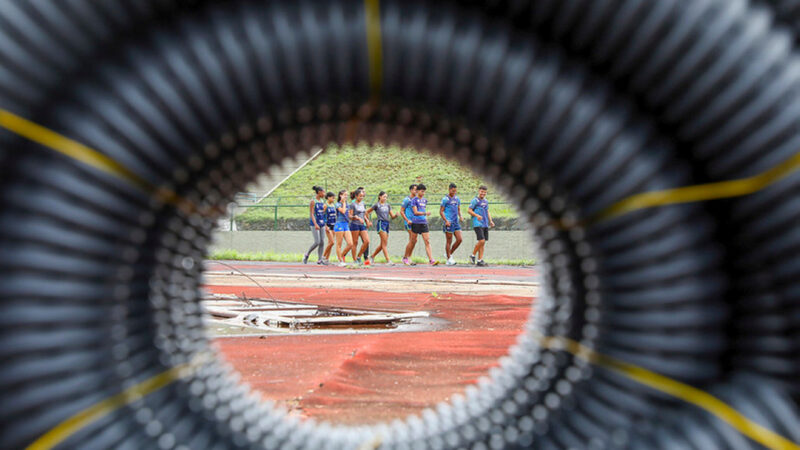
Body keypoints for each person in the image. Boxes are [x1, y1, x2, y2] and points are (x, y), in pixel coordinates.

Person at [409, 184, 438, 266]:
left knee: (427, 241)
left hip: (423, 222)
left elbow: (423, 209)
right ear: (418, 191)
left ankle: (431, 259)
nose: (423, 193)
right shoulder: (414, 200)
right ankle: (407, 257)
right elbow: (415, 212)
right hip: (416, 222)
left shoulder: (425, 200)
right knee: (413, 241)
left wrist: (425, 217)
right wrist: (425, 213)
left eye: (424, 192)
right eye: (422, 191)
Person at [367, 191, 398, 264]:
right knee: (384, 244)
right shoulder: (376, 205)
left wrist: (396, 215)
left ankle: (372, 256)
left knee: (383, 244)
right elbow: (367, 212)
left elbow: (392, 216)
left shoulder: (388, 205)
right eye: (384, 197)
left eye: (386, 197)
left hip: (387, 224)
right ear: (379, 197)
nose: (385, 198)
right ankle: (388, 260)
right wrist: (368, 221)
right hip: (381, 223)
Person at [468, 185, 494, 266]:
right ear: (479, 191)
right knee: (481, 240)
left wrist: (491, 221)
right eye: (482, 192)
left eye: (485, 192)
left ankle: (479, 260)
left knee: (483, 242)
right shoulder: (475, 200)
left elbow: (487, 211)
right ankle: (472, 255)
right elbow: (469, 210)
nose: (483, 193)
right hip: (477, 223)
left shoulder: (486, 201)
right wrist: (477, 215)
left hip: (485, 223)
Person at [440, 183, 463, 265]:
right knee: (449, 240)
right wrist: (446, 220)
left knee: (459, 239)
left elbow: (459, 209)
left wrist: (460, 216)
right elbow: (441, 211)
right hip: (449, 222)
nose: (454, 192)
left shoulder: (457, 199)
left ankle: (448, 254)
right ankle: (449, 258)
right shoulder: (445, 199)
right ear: (449, 190)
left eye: (455, 191)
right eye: (453, 191)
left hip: (456, 222)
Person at [303, 186, 328, 265]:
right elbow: (312, 214)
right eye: (323, 192)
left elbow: (322, 213)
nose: (324, 194)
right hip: (314, 223)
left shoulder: (322, 201)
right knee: (317, 242)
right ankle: (307, 254)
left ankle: (320, 259)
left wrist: (324, 223)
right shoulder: (313, 201)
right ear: (319, 192)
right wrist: (315, 224)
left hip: (321, 223)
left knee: (322, 241)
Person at [347, 188, 371, 264]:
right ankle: (355, 260)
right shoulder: (353, 204)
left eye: (362, 196)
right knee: (355, 242)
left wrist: (367, 220)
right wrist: (356, 217)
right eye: (360, 196)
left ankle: (359, 256)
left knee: (367, 241)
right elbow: (350, 216)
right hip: (355, 224)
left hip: (362, 225)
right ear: (356, 196)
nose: (361, 197)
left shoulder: (363, 204)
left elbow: (364, 214)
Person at [334, 190, 355, 267]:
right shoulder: (338, 204)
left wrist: (355, 217)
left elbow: (348, 214)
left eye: (347, 195)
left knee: (350, 243)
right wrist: (343, 203)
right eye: (344, 195)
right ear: (340, 195)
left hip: (346, 224)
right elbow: (342, 211)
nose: (346, 196)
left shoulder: (347, 204)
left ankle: (341, 256)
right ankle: (340, 260)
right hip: (339, 224)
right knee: (339, 244)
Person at [400, 184, 418, 265]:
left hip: (416, 222)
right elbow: (401, 211)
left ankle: (408, 257)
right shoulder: (407, 200)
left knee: (414, 240)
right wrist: (407, 220)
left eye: (417, 190)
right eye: (415, 189)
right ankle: (405, 258)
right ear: (411, 190)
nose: (416, 191)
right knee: (412, 239)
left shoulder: (417, 200)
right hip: (409, 222)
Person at [322, 191, 337, 263]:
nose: (333, 199)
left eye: (334, 198)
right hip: (328, 225)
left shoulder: (333, 205)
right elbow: (322, 215)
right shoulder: (325, 205)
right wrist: (325, 225)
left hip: (333, 225)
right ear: (328, 197)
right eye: (332, 198)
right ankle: (323, 257)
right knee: (332, 242)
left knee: (330, 243)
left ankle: (327, 259)